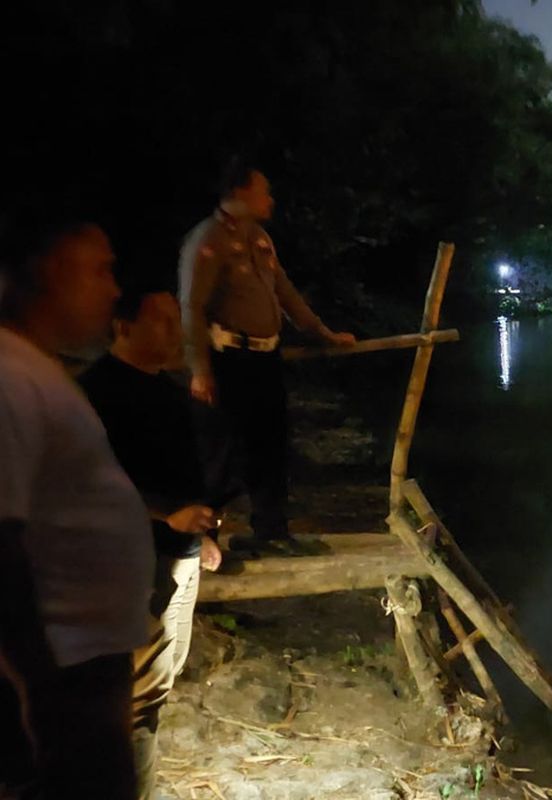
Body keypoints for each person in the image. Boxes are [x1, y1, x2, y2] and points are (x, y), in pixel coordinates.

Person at [0, 222, 153, 799]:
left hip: (80, 667)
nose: (115, 289)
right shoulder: (10, 376)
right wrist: (37, 690)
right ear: (49, 271)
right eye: (101, 269)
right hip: (59, 675)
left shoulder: (35, 369)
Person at [79, 287, 225, 800]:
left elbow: (182, 470)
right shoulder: (98, 392)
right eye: (160, 320)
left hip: (179, 554)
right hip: (133, 560)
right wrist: (167, 514)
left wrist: (201, 533)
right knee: (136, 698)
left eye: (175, 321)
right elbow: (92, 482)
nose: (173, 333)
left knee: (159, 683)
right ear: (124, 326)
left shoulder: (164, 389)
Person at [178, 159, 355, 556]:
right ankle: (204, 541)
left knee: (270, 445)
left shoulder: (258, 238)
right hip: (227, 359)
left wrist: (323, 334)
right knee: (221, 453)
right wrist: (200, 370)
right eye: (264, 191)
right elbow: (192, 306)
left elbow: (286, 293)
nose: (270, 199)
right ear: (241, 192)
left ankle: (271, 530)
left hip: (265, 357)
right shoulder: (207, 241)